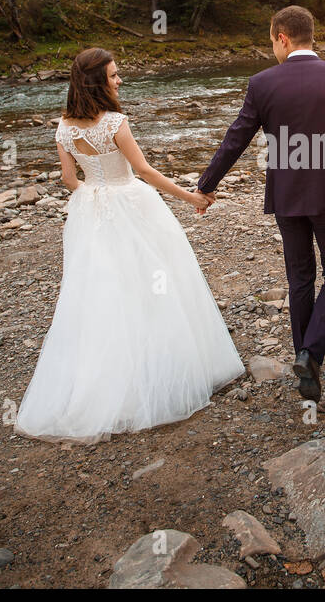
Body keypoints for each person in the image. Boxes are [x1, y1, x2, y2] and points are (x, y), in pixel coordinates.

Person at [14, 47, 244, 443]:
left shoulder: (64, 128)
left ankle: (105, 381)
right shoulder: (115, 122)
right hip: (132, 203)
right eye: (114, 75)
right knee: (156, 280)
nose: (119, 80)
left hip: (90, 210)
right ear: (97, 81)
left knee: (100, 293)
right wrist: (191, 197)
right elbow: (143, 170)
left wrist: (95, 196)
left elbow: (70, 181)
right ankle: (161, 373)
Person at [194, 5, 325, 403]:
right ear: (307, 35)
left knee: (300, 279)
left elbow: (237, 137)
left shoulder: (263, 83)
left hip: (288, 197)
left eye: (272, 42)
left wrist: (206, 185)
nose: (273, 50)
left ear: (282, 37)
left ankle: (306, 370)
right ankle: (310, 355)